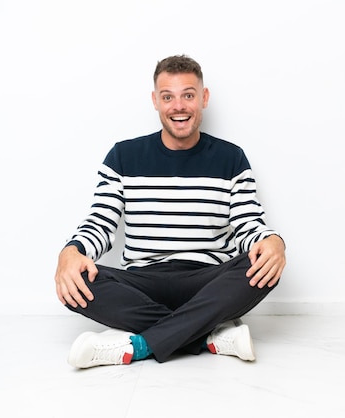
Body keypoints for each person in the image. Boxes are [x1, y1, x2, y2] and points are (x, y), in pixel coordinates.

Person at [54, 54, 286, 368]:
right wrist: (72, 250)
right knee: (75, 278)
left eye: (188, 95)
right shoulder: (123, 156)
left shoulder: (231, 158)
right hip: (142, 284)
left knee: (262, 265)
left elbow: (249, 224)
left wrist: (273, 243)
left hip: (206, 282)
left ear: (203, 98)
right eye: (168, 97)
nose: (178, 106)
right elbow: (101, 220)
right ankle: (208, 336)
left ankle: (139, 345)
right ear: (155, 101)